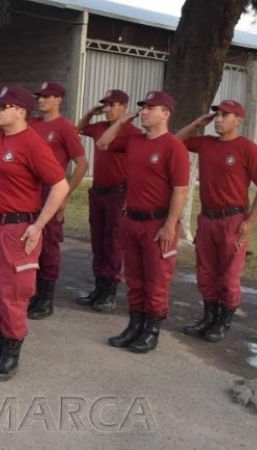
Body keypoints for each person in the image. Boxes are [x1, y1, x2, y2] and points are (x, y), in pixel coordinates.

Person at [0, 86, 68, 381]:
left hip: (16, 228)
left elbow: (59, 186)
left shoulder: (32, 144)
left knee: (14, 294)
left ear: (20, 111)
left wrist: (38, 225)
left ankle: (11, 350)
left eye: (2, 106)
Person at [96, 90, 189, 353]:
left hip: (157, 222)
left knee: (157, 280)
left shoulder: (173, 146)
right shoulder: (134, 141)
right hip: (132, 219)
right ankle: (134, 324)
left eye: (151, 108)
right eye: (143, 107)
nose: (145, 111)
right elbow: (103, 143)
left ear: (166, 114)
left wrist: (170, 224)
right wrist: (123, 120)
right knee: (134, 278)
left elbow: (180, 190)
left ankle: (151, 329)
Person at [177, 100, 257, 342]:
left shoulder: (247, 148)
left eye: (225, 115)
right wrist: (197, 124)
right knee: (206, 272)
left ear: (238, 120)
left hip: (233, 220)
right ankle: (208, 318)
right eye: (217, 114)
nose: (218, 119)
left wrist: (250, 221)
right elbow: (174, 142)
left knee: (229, 276)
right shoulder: (206, 144)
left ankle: (222, 322)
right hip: (208, 218)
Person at [27, 81, 89, 320]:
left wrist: (65, 194)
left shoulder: (64, 127)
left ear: (58, 100)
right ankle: (32, 292)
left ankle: (46, 298)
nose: (41, 100)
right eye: (39, 96)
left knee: (49, 244)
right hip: (29, 191)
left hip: (51, 190)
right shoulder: (32, 124)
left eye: (47, 96)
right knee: (30, 242)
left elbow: (82, 163)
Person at [76, 89, 142, 312]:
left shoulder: (133, 133)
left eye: (111, 105)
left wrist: (129, 198)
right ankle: (98, 287)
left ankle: (110, 292)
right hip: (98, 192)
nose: (107, 109)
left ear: (123, 106)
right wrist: (90, 112)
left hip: (119, 193)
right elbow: (78, 129)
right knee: (98, 240)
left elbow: (137, 168)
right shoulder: (100, 128)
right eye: (104, 105)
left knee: (113, 242)